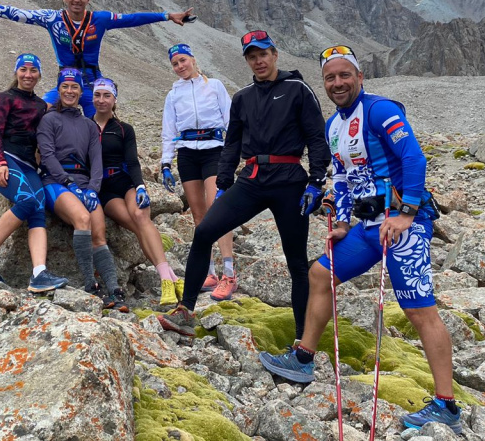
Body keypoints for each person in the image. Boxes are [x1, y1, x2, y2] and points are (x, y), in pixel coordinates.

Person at [259, 45, 459, 433]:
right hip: (366, 230)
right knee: (320, 275)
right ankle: (303, 358)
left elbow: (415, 159)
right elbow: (344, 178)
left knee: (420, 312)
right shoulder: (334, 126)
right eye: (330, 77)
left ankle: (447, 406)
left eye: (344, 75)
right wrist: (342, 221)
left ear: (360, 77)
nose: (337, 83)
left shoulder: (381, 110)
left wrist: (406, 214)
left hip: (403, 228)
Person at [159, 30, 331, 339]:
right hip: (251, 180)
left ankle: (302, 339)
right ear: (247, 61)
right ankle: (186, 311)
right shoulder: (242, 97)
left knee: (296, 261)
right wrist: (224, 182)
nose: (258, 61)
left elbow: (317, 137)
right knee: (204, 232)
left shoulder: (298, 89)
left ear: (274, 54)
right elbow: (232, 144)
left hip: (290, 180)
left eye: (263, 54)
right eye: (252, 57)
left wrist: (317, 181)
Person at [0, 0, 195, 117]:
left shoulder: (100, 19)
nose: (76, 0)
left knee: (103, 124)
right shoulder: (51, 19)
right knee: (41, 112)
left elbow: (132, 18)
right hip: (65, 81)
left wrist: (165, 15)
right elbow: (16, 14)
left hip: (92, 82)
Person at [0, 53, 70, 293]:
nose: (28, 75)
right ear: (16, 72)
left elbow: (61, 104)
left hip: (27, 165)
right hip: (4, 160)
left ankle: (39, 274)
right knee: (27, 199)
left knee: (38, 208)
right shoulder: (3, 98)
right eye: (23, 70)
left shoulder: (41, 105)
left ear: (39, 75)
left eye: (33, 70)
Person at [36, 67, 128, 311]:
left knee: (99, 230)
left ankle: (113, 287)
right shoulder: (49, 119)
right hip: (55, 181)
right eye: (65, 86)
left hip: (84, 182)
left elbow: (96, 160)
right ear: (58, 90)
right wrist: (67, 183)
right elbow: (46, 155)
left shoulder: (88, 125)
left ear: (80, 91)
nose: (69, 91)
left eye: (74, 87)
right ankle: (90, 283)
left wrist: (92, 189)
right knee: (82, 218)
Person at [91, 76, 181, 307]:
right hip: (104, 190)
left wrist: (140, 185)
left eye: (107, 95)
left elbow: (132, 162)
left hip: (125, 182)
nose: (102, 100)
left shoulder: (124, 129)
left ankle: (165, 281)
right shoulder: (85, 126)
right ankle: (170, 274)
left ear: (114, 99)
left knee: (141, 216)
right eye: (97, 95)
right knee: (136, 225)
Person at [160, 43, 236, 301]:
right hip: (188, 154)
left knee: (219, 209)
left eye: (183, 60)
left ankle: (229, 274)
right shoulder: (173, 94)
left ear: (193, 59)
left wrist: (234, 152)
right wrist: (165, 163)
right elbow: (169, 130)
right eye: (175, 64)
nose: (180, 66)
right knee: (198, 215)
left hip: (214, 149)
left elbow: (230, 119)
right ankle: (209, 271)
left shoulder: (214, 86)